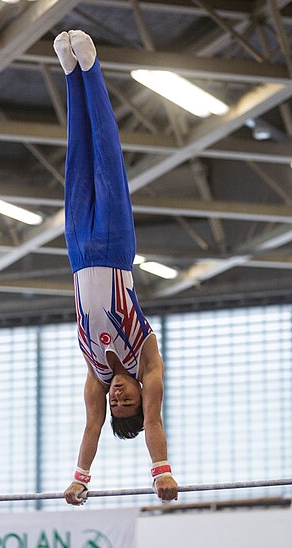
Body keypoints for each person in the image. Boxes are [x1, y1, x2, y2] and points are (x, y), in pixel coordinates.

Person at [53, 30, 178, 505]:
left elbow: (90, 427)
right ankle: (91, 67)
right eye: (128, 401)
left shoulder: (94, 377)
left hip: (78, 252)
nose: (118, 397)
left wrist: (80, 479)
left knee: (77, 163)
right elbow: (153, 422)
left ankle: (69, 74)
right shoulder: (147, 366)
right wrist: (161, 472)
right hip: (114, 248)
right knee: (105, 157)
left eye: (116, 403)